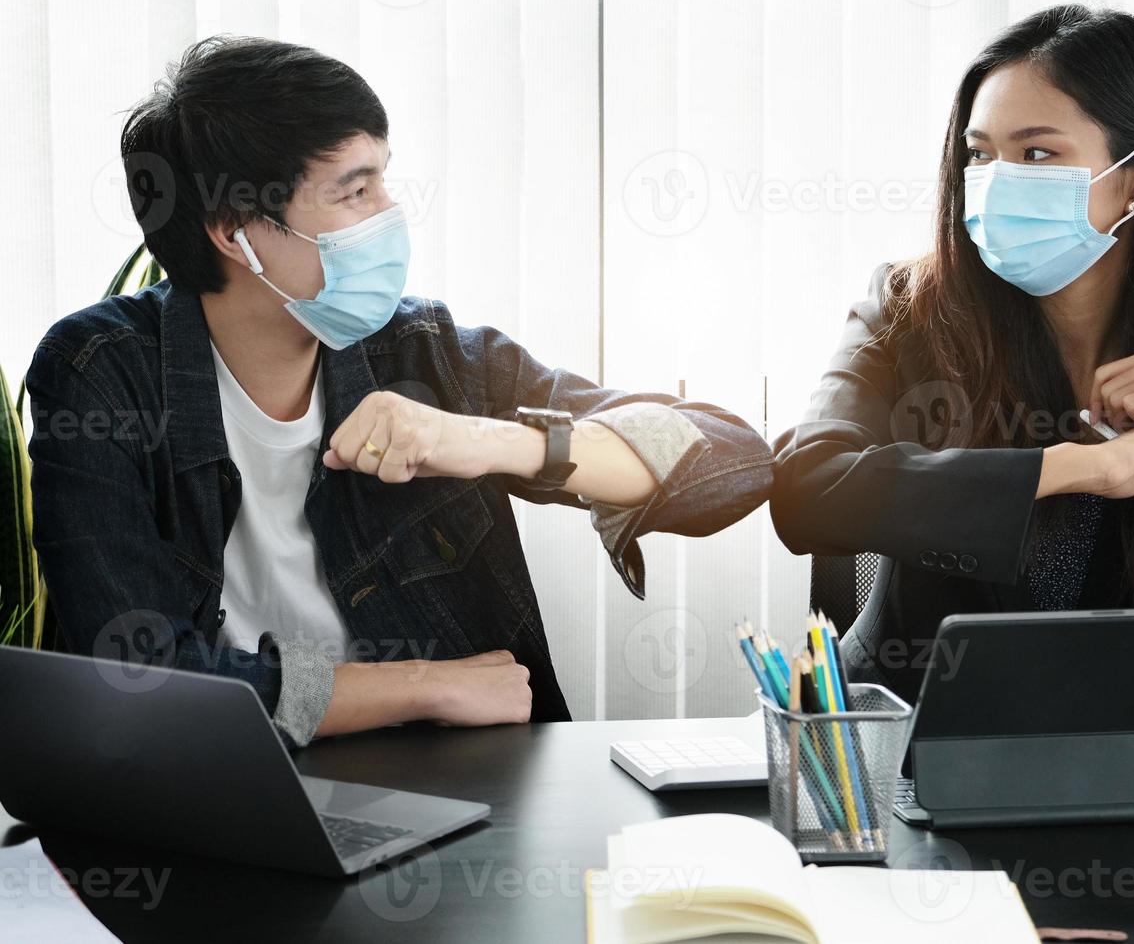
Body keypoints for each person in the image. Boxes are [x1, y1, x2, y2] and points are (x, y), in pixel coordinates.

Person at [27, 36, 773, 746]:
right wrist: (422, 685)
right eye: (355, 191)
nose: (390, 213)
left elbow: (732, 460)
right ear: (234, 229)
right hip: (220, 786)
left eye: (384, 177)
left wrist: (486, 442)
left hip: (459, 792)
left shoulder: (429, 352)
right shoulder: (99, 372)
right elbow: (140, 678)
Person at [770, 4, 1134, 724]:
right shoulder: (904, 315)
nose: (995, 181)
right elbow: (805, 491)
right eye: (978, 153)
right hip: (900, 749)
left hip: (1129, 778)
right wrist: (1071, 467)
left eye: (1035, 154)